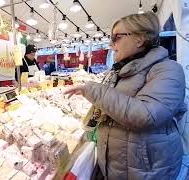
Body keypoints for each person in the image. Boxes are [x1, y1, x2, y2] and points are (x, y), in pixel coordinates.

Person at [64, 12, 186, 179]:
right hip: (117, 169)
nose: (111, 44)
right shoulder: (120, 70)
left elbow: (146, 115)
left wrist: (93, 90)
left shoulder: (168, 69)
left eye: (116, 37)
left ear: (140, 38)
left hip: (146, 172)